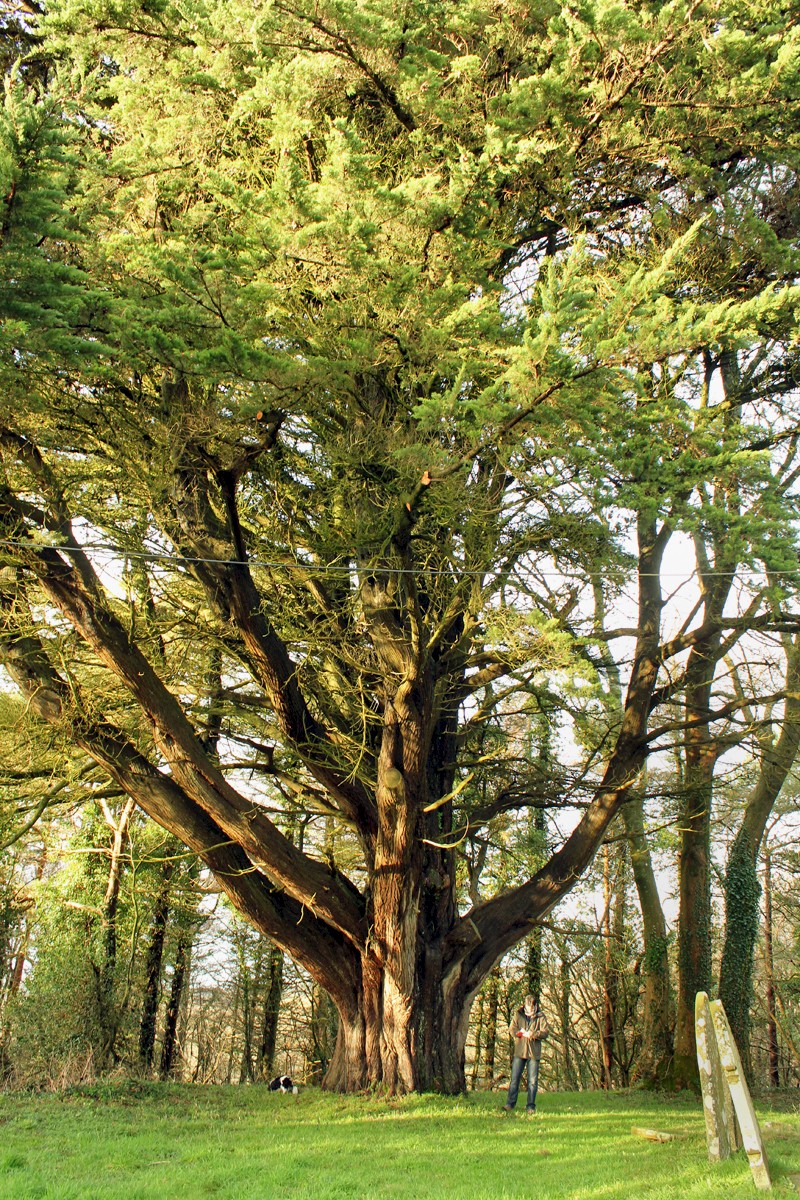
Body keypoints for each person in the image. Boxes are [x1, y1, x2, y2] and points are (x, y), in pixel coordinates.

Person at [503, 993, 549, 1114]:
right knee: (514, 1079)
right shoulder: (518, 1014)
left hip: (534, 1053)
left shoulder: (541, 1017)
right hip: (520, 1051)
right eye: (528, 1009)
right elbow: (511, 1029)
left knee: (532, 1081)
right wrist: (519, 1033)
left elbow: (545, 1032)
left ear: (535, 1007)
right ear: (525, 1006)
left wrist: (534, 1034)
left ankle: (530, 1106)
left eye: (532, 1009)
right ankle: (510, 1104)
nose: (530, 1012)